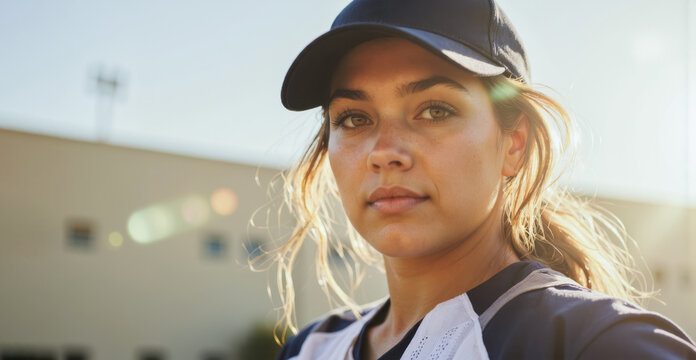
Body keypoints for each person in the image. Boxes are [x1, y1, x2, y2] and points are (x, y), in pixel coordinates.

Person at [266, 0, 696, 358]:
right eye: (354, 118)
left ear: (514, 145)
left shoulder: (601, 343)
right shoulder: (311, 348)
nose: (384, 152)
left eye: (435, 110)